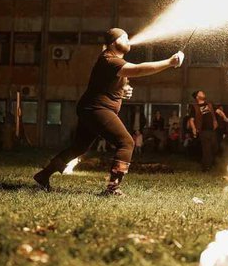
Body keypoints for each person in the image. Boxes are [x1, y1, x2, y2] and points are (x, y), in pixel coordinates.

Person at [33, 28, 182, 195]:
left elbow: (116, 83)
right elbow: (139, 69)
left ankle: (43, 175)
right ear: (113, 43)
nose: (128, 40)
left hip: (90, 108)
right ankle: (113, 188)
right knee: (126, 143)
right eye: (123, 38)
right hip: (97, 108)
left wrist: (124, 90)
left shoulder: (114, 62)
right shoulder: (109, 60)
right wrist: (169, 62)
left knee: (78, 148)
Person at [188, 90, 218, 171]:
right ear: (197, 97)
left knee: (214, 147)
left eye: (203, 92)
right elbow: (191, 120)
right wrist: (194, 129)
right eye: (201, 93)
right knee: (206, 149)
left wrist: (224, 117)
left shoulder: (209, 104)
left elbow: (218, 111)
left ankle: (209, 163)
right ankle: (206, 167)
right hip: (203, 131)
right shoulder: (195, 107)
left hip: (212, 130)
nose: (203, 93)